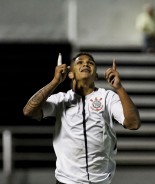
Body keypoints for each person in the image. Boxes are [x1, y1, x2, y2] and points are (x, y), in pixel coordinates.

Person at [23, 52, 141, 184]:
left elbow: (133, 123)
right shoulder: (62, 99)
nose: (86, 64)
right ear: (71, 74)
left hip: (100, 181)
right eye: (80, 62)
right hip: (66, 181)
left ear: (96, 75)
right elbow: (29, 111)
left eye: (90, 63)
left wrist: (119, 88)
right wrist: (55, 82)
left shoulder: (108, 97)